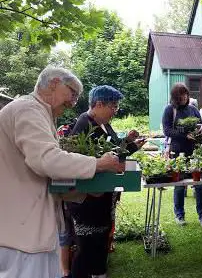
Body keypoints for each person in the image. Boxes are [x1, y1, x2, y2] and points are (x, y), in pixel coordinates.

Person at [0, 67, 122, 278]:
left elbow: (42, 177)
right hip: (23, 237)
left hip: (30, 230)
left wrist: (80, 193)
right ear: (54, 82)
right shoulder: (28, 109)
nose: (73, 102)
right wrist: (98, 163)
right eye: (72, 93)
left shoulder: (38, 112)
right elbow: (46, 160)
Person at [67, 85, 144, 278]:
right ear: (99, 104)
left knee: (101, 241)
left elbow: (113, 152)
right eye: (113, 106)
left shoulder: (103, 124)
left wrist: (129, 142)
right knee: (86, 249)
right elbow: (77, 162)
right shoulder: (84, 125)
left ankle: (100, 273)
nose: (116, 110)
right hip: (88, 199)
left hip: (102, 196)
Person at [162, 83, 202, 227]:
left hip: (195, 151)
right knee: (180, 184)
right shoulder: (170, 110)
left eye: (185, 94)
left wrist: (201, 128)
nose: (183, 97)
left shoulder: (193, 109)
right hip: (178, 152)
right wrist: (184, 135)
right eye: (179, 95)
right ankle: (179, 215)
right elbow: (167, 131)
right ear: (174, 97)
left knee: (199, 184)